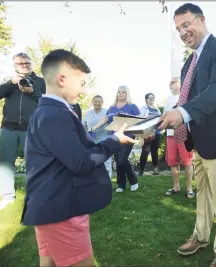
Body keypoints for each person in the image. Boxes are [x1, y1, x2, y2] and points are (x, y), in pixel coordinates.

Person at [21, 49, 137, 267]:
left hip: (48, 207)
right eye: (82, 83)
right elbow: (81, 162)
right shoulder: (55, 114)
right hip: (62, 209)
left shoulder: (45, 111)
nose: (84, 91)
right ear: (62, 79)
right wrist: (115, 141)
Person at [158, 4, 216, 267]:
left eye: (186, 25)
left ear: (201, 20)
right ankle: (201, 236)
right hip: (199, 142)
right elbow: (190, 96)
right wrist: (170, 117)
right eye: (178, 29)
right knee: (203, 195)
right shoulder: (190, 61)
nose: (183, 32)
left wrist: (183, 112)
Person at [0, 52, 46, 212]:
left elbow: (47, 101)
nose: (24, 65)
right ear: (15, 65)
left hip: (31, 129)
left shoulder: (41, 82)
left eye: (27, 62)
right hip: (8, 127)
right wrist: (11, 83)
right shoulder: (11, 82)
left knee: (33, 163)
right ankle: (7, 196)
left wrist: (32, 92)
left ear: (31, 63)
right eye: (20, 63)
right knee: (6, 162)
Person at [91, 85, 140, 193]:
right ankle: (121, 184)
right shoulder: (112, 107)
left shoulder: (132, 106)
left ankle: (133, 180)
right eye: (119, 92)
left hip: (128, 137)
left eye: (123, 92)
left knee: (122, 159)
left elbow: (139, 121)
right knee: (118, 161)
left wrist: (141, 135)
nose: (120, 93)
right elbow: (105, 119)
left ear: (127, 94)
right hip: (115, 137)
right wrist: (93, 128)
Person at [164, 78, 194, 198]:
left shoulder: (186, 96)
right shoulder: (167, 101)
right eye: (169, 83)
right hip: (170, 135)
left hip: (184, 133)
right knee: (173, 161)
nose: (170, 85)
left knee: (187, 162)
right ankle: (176, 187)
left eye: (172, 83)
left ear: (180, 84)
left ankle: (189, 188)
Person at [82, 95, 113, 178]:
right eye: (95, 101)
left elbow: (112, 124)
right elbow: (83, 125)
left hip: (105, 140)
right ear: (92, 102)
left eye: (99, 102)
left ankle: (108, 179)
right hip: (92, 141)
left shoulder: (107, 112)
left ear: (102, 103)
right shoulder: (88, 113)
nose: (97, 103)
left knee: (106, 161)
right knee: (93, 160)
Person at [138, 93, 162, 175]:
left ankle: (155, 169)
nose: (152, 99)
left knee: (154, 151)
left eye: (153, 98)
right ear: (146, 99)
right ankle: (141, 170)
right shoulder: (143, 108)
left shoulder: (157, 109)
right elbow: (140, 120)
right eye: (150, 98)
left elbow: (160, 120)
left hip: (157, 133)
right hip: (147, 133)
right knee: (145, 151)